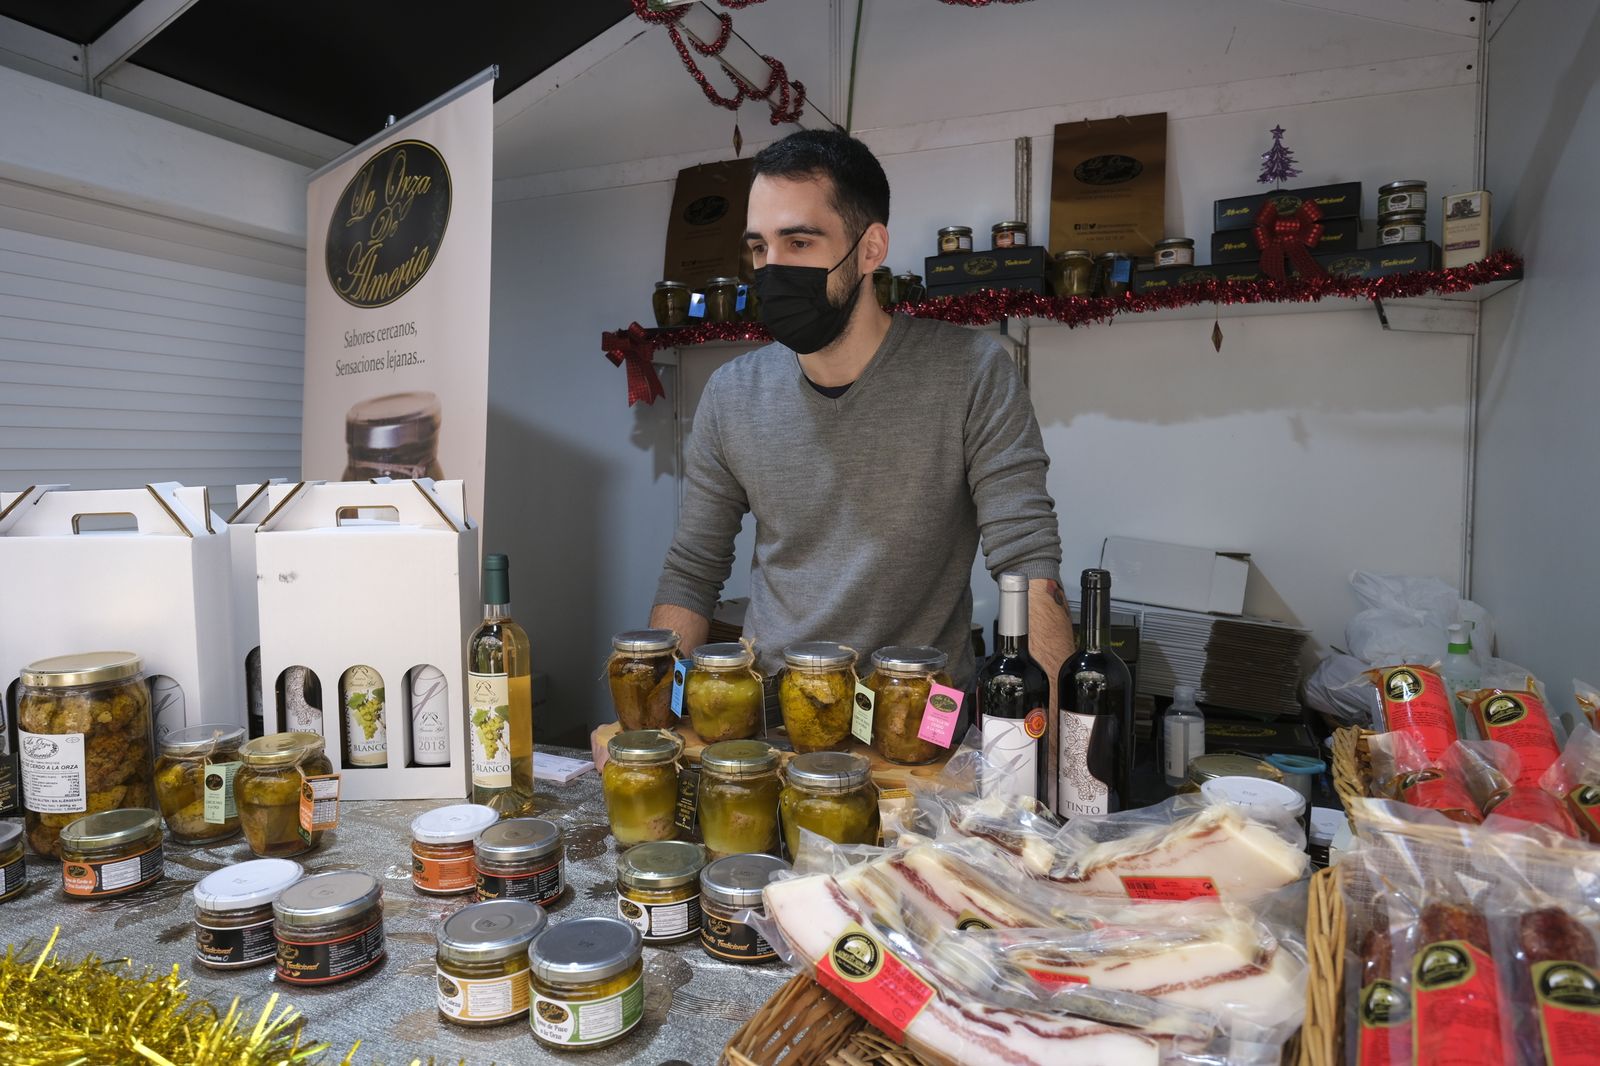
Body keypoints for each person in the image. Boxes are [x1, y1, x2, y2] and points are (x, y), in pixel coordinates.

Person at [650, 127, 1073, 699]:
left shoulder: (971, 373)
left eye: (799, 244)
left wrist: (1048, 747)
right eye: (759, 248)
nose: (772, 269)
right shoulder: (732, 395)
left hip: (920, 717)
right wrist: (653, 712)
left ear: (870, 249)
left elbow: (1027, 564)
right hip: (777, 715)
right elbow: (693, 570)